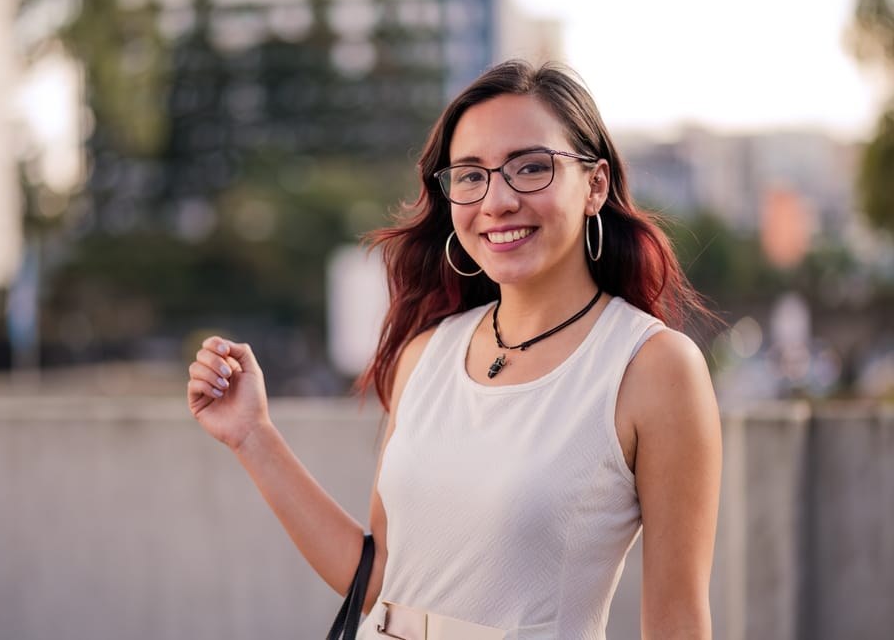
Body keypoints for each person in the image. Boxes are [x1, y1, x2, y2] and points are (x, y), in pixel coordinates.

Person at [187, 60, 722, 639]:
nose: (497, 201)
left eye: (530, 168)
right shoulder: (426, 354)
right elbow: (381, 581)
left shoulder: (653, 367)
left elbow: (677, 623)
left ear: (594, 185)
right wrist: (253, 435)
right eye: (471, 175)